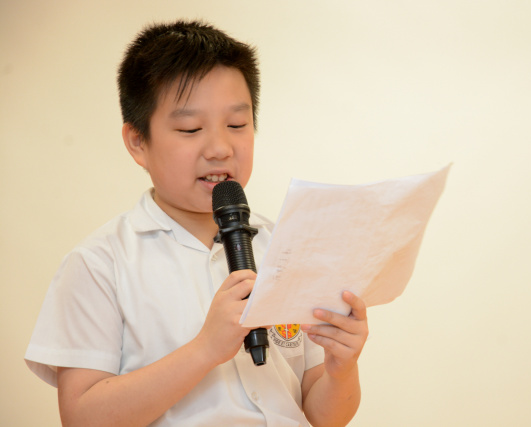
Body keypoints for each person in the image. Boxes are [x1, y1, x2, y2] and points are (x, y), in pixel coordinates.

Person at [25, 20, 369, 427]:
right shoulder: (99, 264)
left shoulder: (288, 248)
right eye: (190, 129)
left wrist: (341, 368)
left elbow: (322, 415)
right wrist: (205, 349)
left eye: (237, 125)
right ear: (138, 142)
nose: (220, 148)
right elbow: (83, 417)